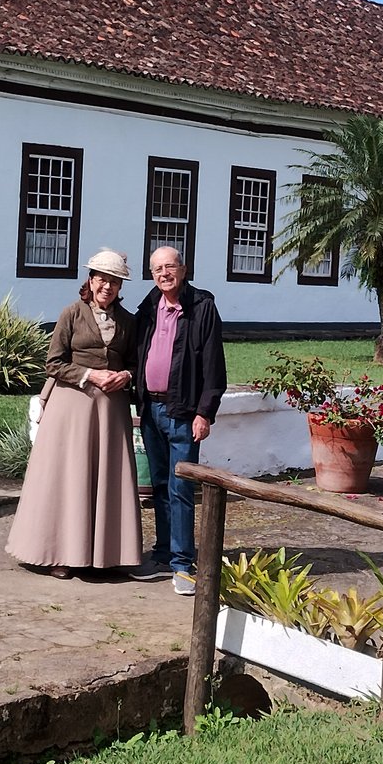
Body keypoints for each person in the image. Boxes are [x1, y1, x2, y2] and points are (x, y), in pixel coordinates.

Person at [6, 248, 142, 578]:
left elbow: (136, 363)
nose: (107, 287)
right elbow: (54, 363)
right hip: (72, 407)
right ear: (90, 280)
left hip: (110, 411)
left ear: (120, 287)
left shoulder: (128, 322)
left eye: (114, 282)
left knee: (107, 477)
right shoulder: (71, 314)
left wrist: (126, 375)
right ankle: (59, 554)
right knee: (68, 477)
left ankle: (104, 555)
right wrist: (89, 375)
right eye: (102, 280)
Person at [135, 245, 226, 595]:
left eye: (170, 267)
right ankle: (162, 553)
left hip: (184, 413)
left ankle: (182, 564)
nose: (164, 274)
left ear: (184, 270)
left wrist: (205, 412)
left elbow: (213, 366)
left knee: (181, 489)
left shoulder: (201, 307)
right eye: (157, 269)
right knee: (159, 486)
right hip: (151, 411)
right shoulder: (148, 307)